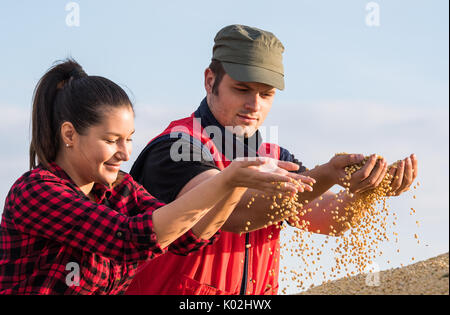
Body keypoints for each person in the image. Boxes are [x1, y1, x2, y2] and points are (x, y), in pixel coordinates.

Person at [125, 24, 418, 295]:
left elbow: (329, 219)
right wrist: (327, 174)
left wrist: (365, 192)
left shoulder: (276, 157)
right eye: (241, 90)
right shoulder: (177, 147)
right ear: (210, 80)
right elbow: (234, 216)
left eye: (266, 94)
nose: (254, 105)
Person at [0, 59, 313, 295]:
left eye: (128, 139)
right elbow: (126, 238)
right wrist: (224, 180)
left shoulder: (122, 190)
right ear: (70, 134)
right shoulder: (36, 192)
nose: (124, 153)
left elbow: (188, 235)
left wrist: (232, 184)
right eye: (111, 141)